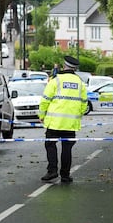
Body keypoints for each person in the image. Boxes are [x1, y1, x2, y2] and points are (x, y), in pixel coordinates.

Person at [38, 55, 88, 183]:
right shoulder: (80, 83)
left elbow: (45, 100)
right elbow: (84, 103)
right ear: (74, 69)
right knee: (67, 148)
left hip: (54, 122)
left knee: (50, 145)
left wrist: (42, 115)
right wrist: (78, 115)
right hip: (70, 124)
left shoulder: (56, 80)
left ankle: (52, 171)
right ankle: (65, 175)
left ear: (64, 66)